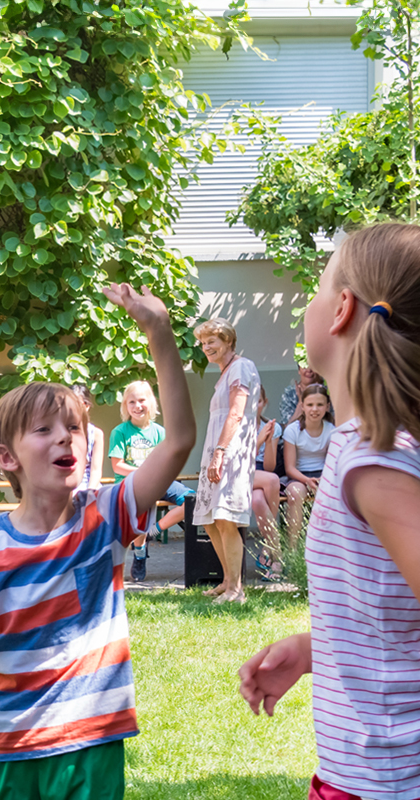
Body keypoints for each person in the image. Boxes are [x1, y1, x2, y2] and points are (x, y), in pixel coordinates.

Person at [0, 284, 196, 800]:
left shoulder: (106, 515)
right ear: (7, 457)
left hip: (90, 744)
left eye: (74, 428)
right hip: (8, 750)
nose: (65, 437)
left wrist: (159, 333)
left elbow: (179, 442)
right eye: (44, 429)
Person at [238, 222, 420, 800]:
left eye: (316, 290)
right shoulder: (360, 444)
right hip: (362, 771)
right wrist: (320, 649)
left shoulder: (375, 457)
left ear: (341, 308)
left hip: (386, 779)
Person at [191, 318, 261, 604]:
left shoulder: (241, 367)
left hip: (230, 450)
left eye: (212, 342)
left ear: (228, 341)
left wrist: (220, 451)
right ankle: (228, 581)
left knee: (226, 518)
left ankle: (236, 590)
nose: (207, 347)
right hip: (217, 448)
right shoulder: (225, 372)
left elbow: (236, 412)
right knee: (210, 519)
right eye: (204, 343)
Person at [108, 380, 194, 582]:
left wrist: (159, 474)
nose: (137, 406)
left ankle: (152, 532)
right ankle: (139, 554)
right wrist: (144, 473)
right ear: (125, 406)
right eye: (131, 402)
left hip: (159, 481)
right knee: (142, 504)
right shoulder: (119, 432)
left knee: (193, 501)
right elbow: (117, 465)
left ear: (151, 403)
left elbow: (167, 461)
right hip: (133, 483)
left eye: (141, 400)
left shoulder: (160, 432)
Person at [281, 383, 335, 545]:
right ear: (302, 407)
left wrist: (321, 480)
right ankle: (293, 547)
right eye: (310, 405)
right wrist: (307, 481)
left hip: (323, 474)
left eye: (319, 405)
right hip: (299, 476)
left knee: (333, 493)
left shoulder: (331, 430)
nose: (315, 409)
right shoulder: (292, 430)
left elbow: (332, 464)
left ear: (327, 407)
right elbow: (290, 468)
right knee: (295, 493)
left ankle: (328, 546)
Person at [250, 386, 284, 579]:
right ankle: (277, 554)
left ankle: (267, 548)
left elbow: (269, 467)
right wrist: (259, 440)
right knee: (273, 480)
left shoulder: (273, 427)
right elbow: (241, 461)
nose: (255, 406)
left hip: (261, 474)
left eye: (259, 401)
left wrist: (270, 441)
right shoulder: (239, 427)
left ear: (265, 402)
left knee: (257, 501)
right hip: (241, 471)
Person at [71, 383, 103, 492]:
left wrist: (89, 493)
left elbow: (96, 470)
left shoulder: (96, 434)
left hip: (88, 484)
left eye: (78, 404)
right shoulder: (60, 431)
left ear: (87, 406)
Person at [278, 359, 325, 425]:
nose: (309, 370)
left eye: (312, 366)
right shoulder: (290, 394)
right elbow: (286, 426)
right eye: (304, 366)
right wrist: (300, 402)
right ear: (299, 370)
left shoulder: (328, 392)